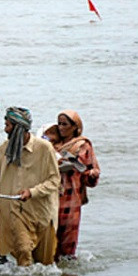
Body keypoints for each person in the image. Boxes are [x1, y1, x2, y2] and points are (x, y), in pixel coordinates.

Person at [0, 108, 60, 267]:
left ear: (19, 128)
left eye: (8, 125)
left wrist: (32, 192)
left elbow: (54, 180)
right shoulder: (4, 148)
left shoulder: (44, 148)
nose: (5, 129)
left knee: (44, 262)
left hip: (39, 210)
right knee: (23, 249)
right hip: (13, 210)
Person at [43, 110, 101, 262]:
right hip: (49, 196)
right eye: (59, 124)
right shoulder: (52, 143)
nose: (61, 127)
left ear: (75, 127)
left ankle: (68, 274)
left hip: (71, 199)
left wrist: (91, 174)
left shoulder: (82, 145)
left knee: (68, 242)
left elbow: (89, 171)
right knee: (47, 239)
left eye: (65, 124)